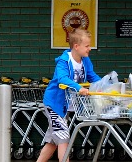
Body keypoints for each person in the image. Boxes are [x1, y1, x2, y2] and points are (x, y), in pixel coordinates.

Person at [35, 28, 100, 162]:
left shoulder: (85, 60)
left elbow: (92, 76)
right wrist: (79, 88)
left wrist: (104, 86)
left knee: (53, 142)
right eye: (87, 46)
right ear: (76, 46)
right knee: (63, 138)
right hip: (54, 105)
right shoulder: (64, 61)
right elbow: (62, 78)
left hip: (65, 107)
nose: (90, 49)